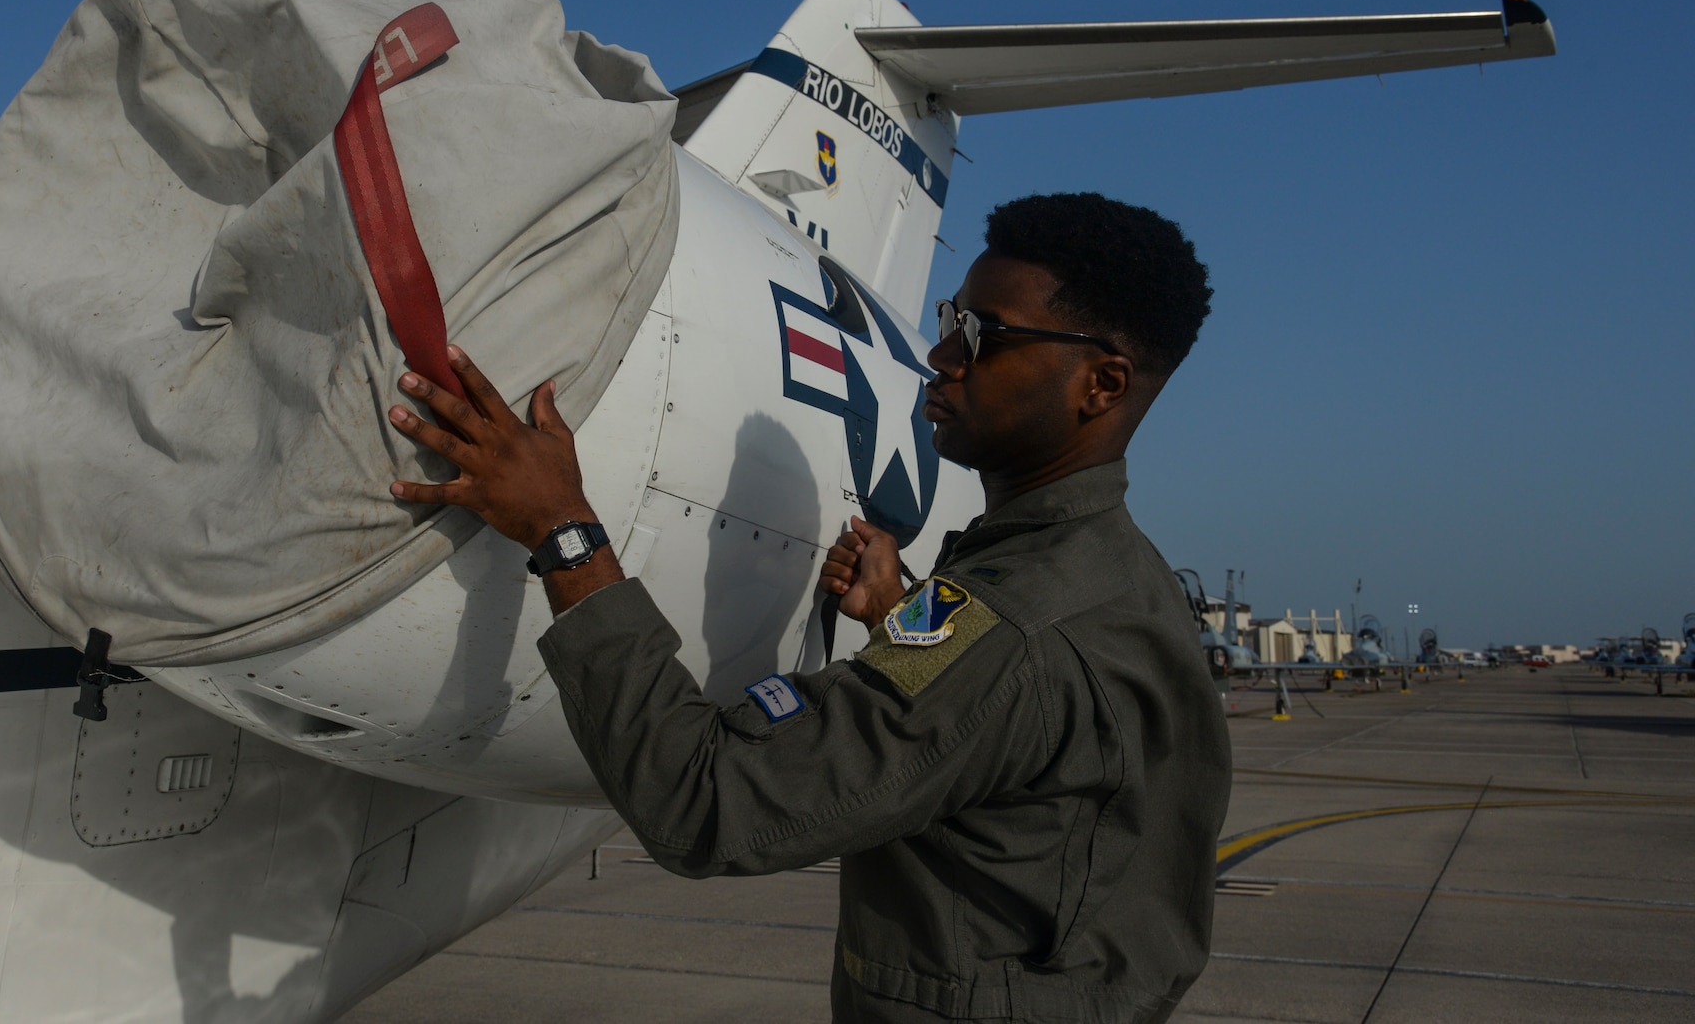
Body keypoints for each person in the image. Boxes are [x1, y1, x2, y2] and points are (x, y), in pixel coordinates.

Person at [385, 192, 1232, 1023]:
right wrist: (898, 618)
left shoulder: (1016, 627)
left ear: (1101, 383)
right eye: (948, 319)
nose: (940, 358)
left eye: (981, 336)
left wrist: (563, 530)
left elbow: (708, 802)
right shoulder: (1122, 578)